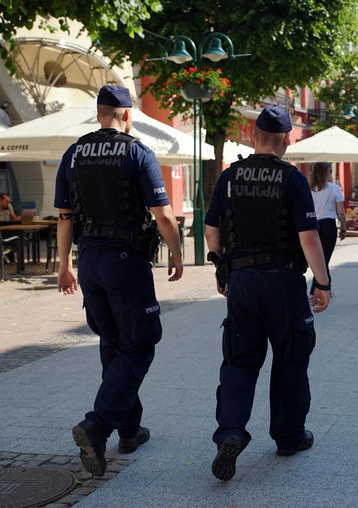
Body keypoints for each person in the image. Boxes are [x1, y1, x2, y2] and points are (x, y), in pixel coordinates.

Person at [54, 85, 184, 477]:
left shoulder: (73, 153)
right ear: (127, 115)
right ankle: (98, 426)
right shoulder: (136, 152)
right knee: (141, 343)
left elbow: (63, 216)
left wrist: (64, 265)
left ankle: (130, 429)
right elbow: (162, 214)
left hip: (89, 261)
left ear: (98, 114)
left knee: (114, 343)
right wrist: (176, 252)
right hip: (125, 263)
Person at [204, 104, 330, 481]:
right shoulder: (292, 180)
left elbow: (212, 231)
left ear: (252, 137)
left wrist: (219, 265)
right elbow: (308, 236)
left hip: (242, 281)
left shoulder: (229, 177)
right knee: (291, 358)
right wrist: (323, 283)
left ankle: (230, 433)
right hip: (284, 281)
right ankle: (289, 436)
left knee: (239, 362)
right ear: (286, 141)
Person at [308, 162, 347, 294]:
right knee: (324, 258)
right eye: (330, 171)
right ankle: (317, 288)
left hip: (312, 226)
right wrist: (343, 228)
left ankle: (325, 287)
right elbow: (341, 212)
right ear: (326, 173)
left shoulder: (308, 188)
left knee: (318, 258)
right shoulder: (334, 189)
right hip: (328, 225)